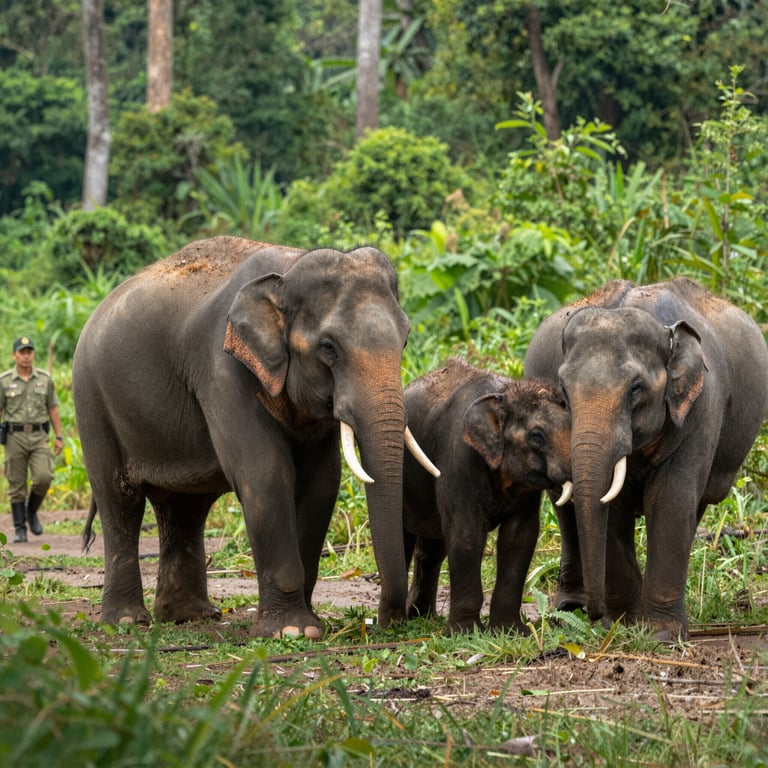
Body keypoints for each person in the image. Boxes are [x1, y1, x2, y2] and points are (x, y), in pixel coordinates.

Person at [0, 336, 63, 543]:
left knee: (43, 477)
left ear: (33, 354)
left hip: (38, 436)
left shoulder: (44, 379)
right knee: (16, 483)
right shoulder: (4, 381)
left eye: (29, 352)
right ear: (14, 355)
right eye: (22, 352)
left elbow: (52, 408)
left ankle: (31, 511)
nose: (26, 356)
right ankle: (20, 529)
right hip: (13, 436)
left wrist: (59, 436)